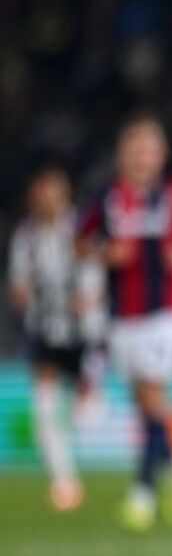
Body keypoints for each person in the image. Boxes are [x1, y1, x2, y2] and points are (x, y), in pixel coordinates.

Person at [78, 112, 172, 532]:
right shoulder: (106, 196)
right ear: (123, 153)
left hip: (167, 312)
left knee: (153, 393)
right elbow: (80, 240)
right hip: (122, 314)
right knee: (145, 402)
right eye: (135, 148)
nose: (142, 156)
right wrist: (106, 254)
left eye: (150, 149)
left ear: (162, 155)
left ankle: (142, 492)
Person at [7, 166, 105, 511]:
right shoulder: (25, 237)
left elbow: (101, 268)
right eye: (42, 192)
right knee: (45, 409)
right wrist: (21, 293)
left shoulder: (83, 228)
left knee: (88, 410)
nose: (48, 199)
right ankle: (64, 482)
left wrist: (92, 296)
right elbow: (18, 282)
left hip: (85, 334)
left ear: (65, 194)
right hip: (45, 332)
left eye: (55, 191)